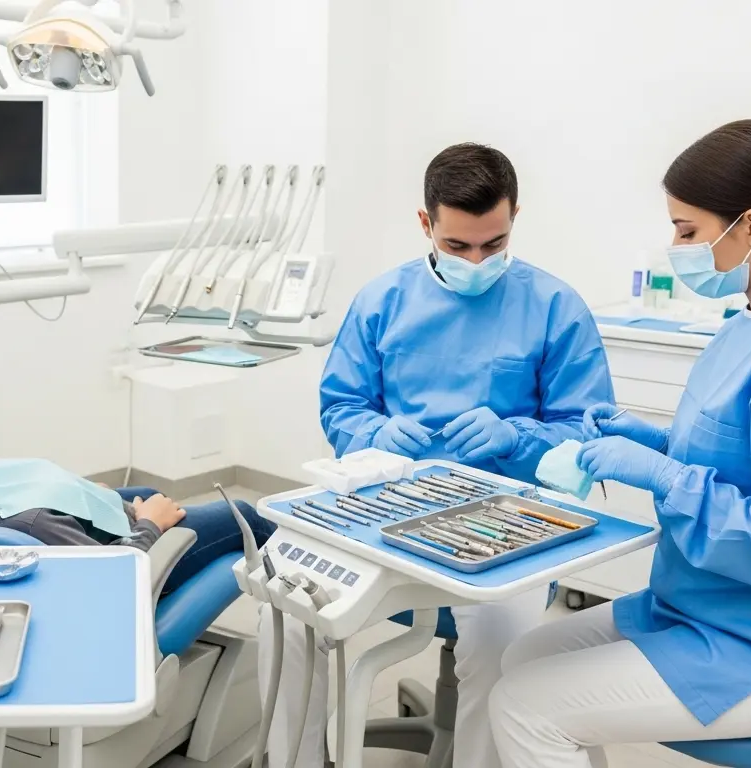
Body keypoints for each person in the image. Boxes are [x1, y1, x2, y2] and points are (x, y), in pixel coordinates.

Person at [488, 119, 751, 768]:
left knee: (524, 706)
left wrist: (659, 475)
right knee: (521, 658)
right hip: (706, 609)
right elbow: (742, 458)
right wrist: (650, 440)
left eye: (687, 231)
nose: (676, 247)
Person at [263, 143, 615, 768]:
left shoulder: (556, 308)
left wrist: (519, 437)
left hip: (509, 518)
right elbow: (342, 406)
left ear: (514, 219)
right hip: (385, 507)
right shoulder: (382, 302)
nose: (478, 261)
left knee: (503, 646)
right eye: (458, 246)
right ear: (425, 223)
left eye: (494, 244)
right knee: (285, 612)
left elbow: (587, 436)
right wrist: (375, 435)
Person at [0, 407, 275, 592]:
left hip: (69, 527)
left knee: (143, 493)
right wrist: (151, 526)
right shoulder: (31, 525)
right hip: (135, 562)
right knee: (241, 514)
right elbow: (111, 578)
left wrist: (85, 498)